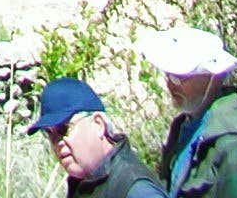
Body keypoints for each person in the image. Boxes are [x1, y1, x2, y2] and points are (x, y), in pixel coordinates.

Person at [152, 28, 237, 195]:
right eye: (168, 75)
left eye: (179, 78)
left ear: (214, 77)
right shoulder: (183, 129)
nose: (170, 85)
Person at [32, 75, 162, 192]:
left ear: (98, 125)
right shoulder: (83, 183)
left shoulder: (135, 188)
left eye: (63, 129)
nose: (57, 142)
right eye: (49, 133)